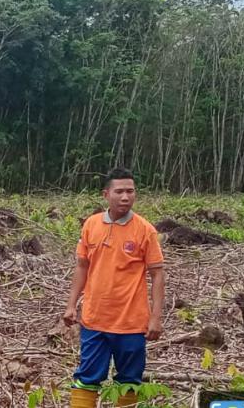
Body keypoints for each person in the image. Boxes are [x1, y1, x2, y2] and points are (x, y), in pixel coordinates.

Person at [61, 168, 166, 408]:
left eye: (130, 191)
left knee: (129, 381)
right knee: (87, 378)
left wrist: (156, 318)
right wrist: (71, 305)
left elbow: (157, 275)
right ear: (106, 194)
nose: (125, 197)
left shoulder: (145, 230)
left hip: (131, 322)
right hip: (94, 319)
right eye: (119, 191)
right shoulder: (91, 225)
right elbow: (82, 267)